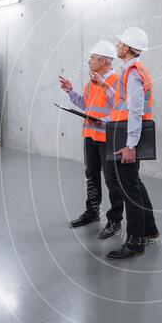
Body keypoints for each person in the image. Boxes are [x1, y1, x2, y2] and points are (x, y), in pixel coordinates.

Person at [98, 27, 159, 259]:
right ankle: (150, 228)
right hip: (127, 133)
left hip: (128, 137)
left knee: (129, 190)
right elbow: (125, 104)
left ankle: (135, 242)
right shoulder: (133, 70)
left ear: (126, 48)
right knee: (135, 184)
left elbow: (135, 110)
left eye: (119, 42)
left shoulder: (132, 72)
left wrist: (131, 145)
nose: (117, 45)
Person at [58, 40, 124, 239]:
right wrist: (70, 91)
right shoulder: (90, 83)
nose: (89, 61)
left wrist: (103, 121)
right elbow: (85, 105)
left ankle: (114, 221)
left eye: (92, 58)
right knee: (91, 176)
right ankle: (92, 212)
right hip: (90, 136)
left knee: (112, 179)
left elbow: (120, 109)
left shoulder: (117, 82)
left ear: (103, 61)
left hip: (108, 139)